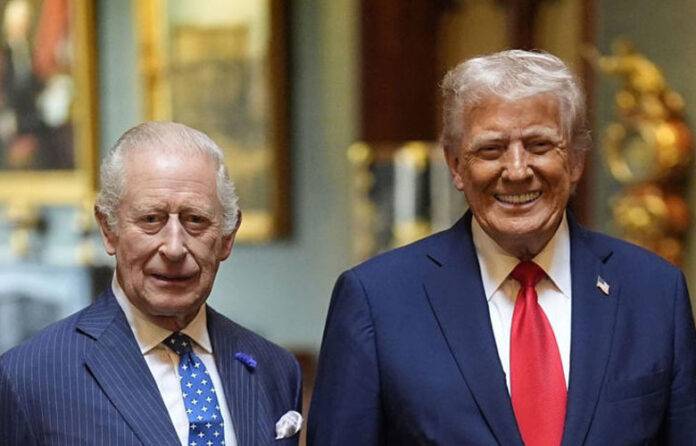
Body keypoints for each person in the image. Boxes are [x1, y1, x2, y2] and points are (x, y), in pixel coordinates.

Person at [308, 50, 696, 445]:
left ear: (577, 160)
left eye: (539, 145)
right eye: (491, 149)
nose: (517, 170)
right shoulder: (376, 300)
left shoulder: (655, 292)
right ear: (455, 164)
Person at [0, 122, 303, 445]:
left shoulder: (274, 369)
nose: (174, 248)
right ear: (108, 229)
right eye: (151, 219)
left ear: (227, 237)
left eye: (196, 220)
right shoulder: (30, 376)